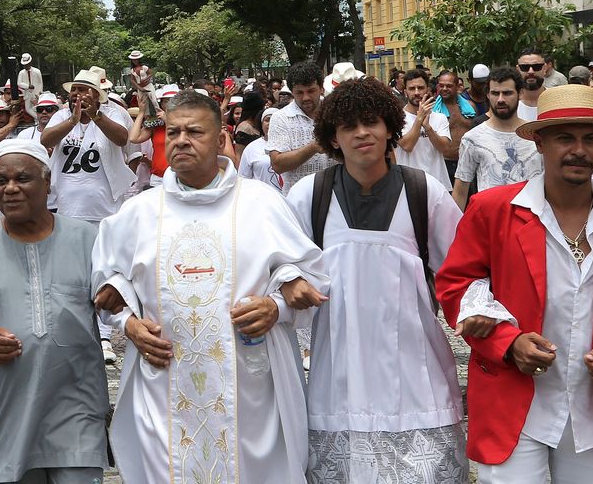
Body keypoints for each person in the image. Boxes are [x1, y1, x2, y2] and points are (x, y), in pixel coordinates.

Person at [435, 85, 593, 483]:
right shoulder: (492, 210)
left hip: (592, 404)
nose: (579, 149)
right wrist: (508, 343)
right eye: (565, 137)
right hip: (514, 401)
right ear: (540, 143)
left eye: (590, 138)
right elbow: (455, 287)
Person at [91, 90, 329, 484]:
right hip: (164, 385)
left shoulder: (262, 204)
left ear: (220, 139)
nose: (181, 140)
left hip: (249, 391)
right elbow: (105, 289)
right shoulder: (137, 213)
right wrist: (130, 326)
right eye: (173, 131)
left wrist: (276, 307)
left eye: (194, 132)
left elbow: (311, 280)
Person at [290, 78, 468, 483]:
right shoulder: (308, 196)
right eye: (348, 126)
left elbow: (462, 273)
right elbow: (280, 270)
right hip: (338, 372)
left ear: (390, 127)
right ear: (332, 138)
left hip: (416, 374)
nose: (361, 133)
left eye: (371, 122)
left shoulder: (425, 193)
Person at [0, 140, 110, 484]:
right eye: (1, 181)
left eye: (23, 179)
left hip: (77, 411)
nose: (10, 189)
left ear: (48, 183)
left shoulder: (89, 239)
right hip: (9, 411)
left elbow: (118, 303)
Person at [40, 67, 134, 362]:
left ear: (97, 95)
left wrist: (96, 117)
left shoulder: (112, 113)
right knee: (74, 274)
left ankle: (105, 337)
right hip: (68, 209)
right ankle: (78, 332)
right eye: (74, 90)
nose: (78, 95)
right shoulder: (60, 116)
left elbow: (122, 139)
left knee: (103, 272)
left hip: (104, 209)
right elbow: (46, 139)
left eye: (84, 90)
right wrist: (72, 119)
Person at [453, 66, 542, 209]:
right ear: (487, 94)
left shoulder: (536, 135)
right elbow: (460, 191)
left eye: (507, 93)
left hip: (531, 222)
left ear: (520, 93)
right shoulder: (472, 139)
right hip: (490, 223)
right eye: (495, 93)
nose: (500, 99)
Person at [267, 60, 331, 191]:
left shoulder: (336, 111)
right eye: (299, 93)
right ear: (292, 92)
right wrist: (314, 147)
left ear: (321, 89)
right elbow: (277, 164)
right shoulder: (281, 118)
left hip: (336, 197)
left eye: (311, 91)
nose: (306, 97)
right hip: (298, 202)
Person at [397, 70, 455, 186]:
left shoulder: (440, 117)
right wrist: (419, 119)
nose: (417, 92)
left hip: (438, 183)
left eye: (421, 88)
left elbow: (445, 149)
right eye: (412, 89)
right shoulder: (398, 117)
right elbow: (407, 145)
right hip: (410, 184)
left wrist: (428, 127)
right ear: (405, 92)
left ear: (427, 90)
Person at [515, 49, 552, 121]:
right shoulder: (509, 102)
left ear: (544, 68)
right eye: (524, 67)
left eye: (536, 67)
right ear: (518, 70)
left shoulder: (557, 100)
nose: (531, 71)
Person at [16, 52, 45, 118]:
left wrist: (40, 92)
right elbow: (19, 83)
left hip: (36, 93)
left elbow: (40, 82)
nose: (25, 66)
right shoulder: (21, 73)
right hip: (27, 94)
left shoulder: (37, 71)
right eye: (24, 64)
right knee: (28, 109)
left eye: (27, 64)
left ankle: (38, 119)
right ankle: (38, 118)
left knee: (37, 107)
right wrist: (27, 86)